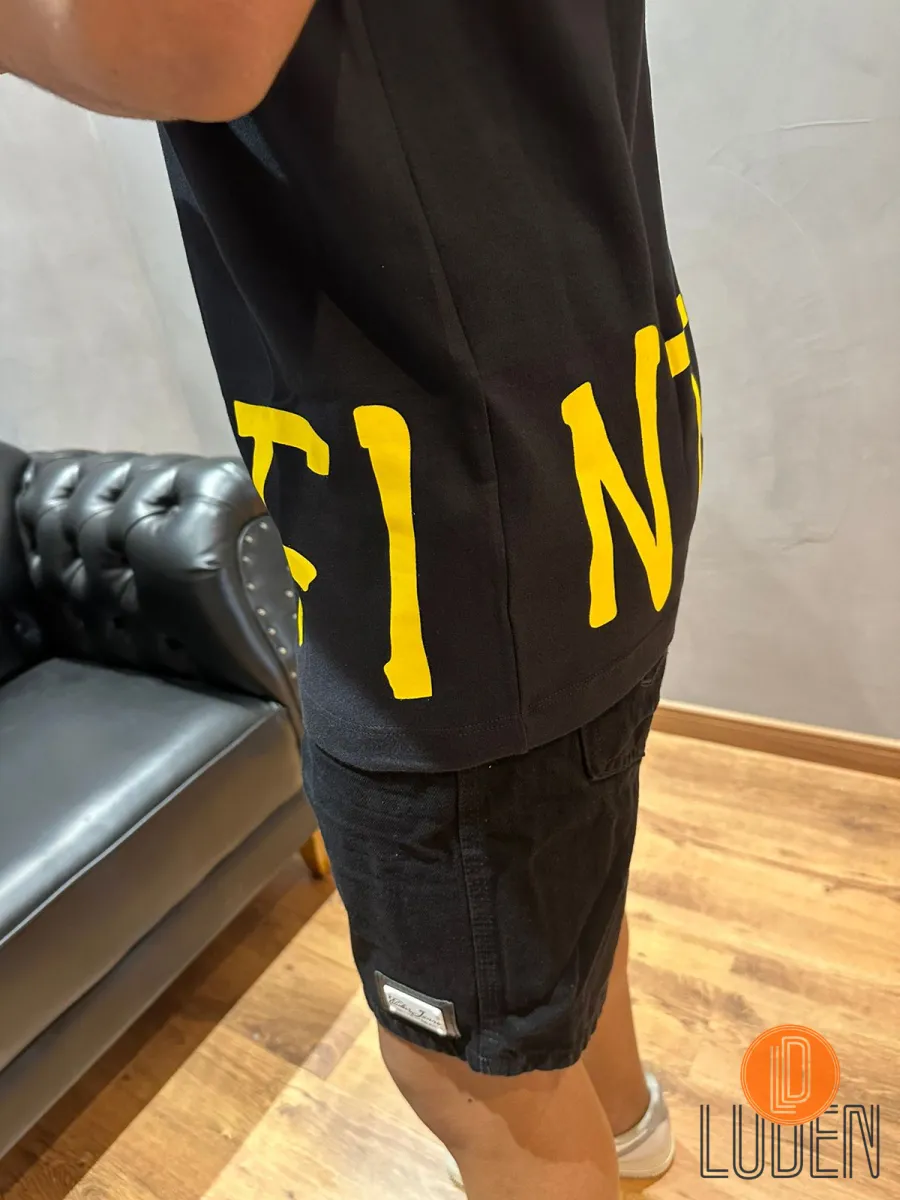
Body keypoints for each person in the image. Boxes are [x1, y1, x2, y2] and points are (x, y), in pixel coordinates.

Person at [3, 2, 702, 1196]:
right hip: (595, 439)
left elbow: (195, 34)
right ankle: (629, 1131)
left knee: (467, 1068)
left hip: (450, 542)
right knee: (548, 909)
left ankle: (613, 1139)